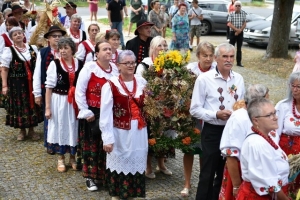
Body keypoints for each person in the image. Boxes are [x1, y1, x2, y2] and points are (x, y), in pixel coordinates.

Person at [190, 43, 245, 200]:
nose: (228, 60)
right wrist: (216, 114)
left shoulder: (239, 79)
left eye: (231, 56)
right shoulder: (204, 79)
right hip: (213, 131)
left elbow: (242, 104)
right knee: (208, 172)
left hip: (232, 132)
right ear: (216, 58)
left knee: (225, 173)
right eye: (225, 57)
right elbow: (194, 109)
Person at [100, 50, 148, 199]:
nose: (130, 65)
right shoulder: (110, 85)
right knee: (120, 161)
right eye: (126, 63)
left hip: (139, 131)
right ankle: (117, 195)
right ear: (118, 65)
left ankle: (132, 194)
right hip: (120, 132)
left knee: (136, 161)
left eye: (133, 62)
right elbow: (105, 114)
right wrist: (107, 138)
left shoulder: (142, 82)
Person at [75, 40, 119, 191]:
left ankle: (105, 176)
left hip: (109, 112)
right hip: (93, 113)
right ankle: (90, 177)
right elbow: (79, 91)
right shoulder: (89, 68)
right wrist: (85, 111)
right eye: (105, 49)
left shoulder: (114, 69)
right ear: (97, 54)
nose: (108, 51)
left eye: (110, 49)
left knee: (106, 145)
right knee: (92, 144)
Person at [219, 84, 270, 200]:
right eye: (267, 97)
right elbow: (230, 154)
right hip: (239, 171)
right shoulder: (239, 118)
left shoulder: (260, 116)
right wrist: (236, 185)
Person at [236, 98, 290, 200]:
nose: (275, 117)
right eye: (270, 115)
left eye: (275, 113)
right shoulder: (257, 144)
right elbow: (270, 184)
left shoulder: (265, 138)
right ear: (256, 120)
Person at [181, 41, 215, 197]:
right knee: (189, 149)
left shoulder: (216, 70)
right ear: (198, 56)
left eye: (210, 56)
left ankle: (204, 181)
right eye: (204, 55)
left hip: (209, 116)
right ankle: (187, 183)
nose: (208, 59)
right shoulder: (189, 70)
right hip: (191, 116)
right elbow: (181, 91)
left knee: (205, 152)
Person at [135, 36, 172, 179]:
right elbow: (139, 86)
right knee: (150, 135)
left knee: (164, 134)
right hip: (149, 105)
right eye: (159, 46)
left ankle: (161, 164)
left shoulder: (169, 64)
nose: (163, 49)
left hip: (165, 105)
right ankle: (148, 165)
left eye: (164, 45)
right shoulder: (144, 65)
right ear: (153, 48)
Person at [44, 38, 83, 172]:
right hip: (59, 100)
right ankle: (61, 158)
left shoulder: (80, 63)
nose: (63, 51)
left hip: (74, 101)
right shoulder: (55, 64)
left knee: (73, 126)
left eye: (66, 48)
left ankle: (73, 157)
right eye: (60, 48)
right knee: (60, 126)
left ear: (72, 49)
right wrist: (48, 108)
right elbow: (49, 87)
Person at [0, 26, 43, 141]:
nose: (18, 35)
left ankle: (32, 130)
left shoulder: (32, 48)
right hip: (16, 84)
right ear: (12, 38)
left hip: (32, 82)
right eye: (15, 35)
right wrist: (4, 85)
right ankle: (22, 130)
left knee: (32, 105)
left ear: (24, 35)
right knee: (20, 106)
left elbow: (39, 65)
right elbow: (4, 69)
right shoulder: (8, 51)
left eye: (20, 33)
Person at [33, 25, 66, 155]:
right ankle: (50, 144)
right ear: (49, 38)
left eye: (59, 36)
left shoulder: (66, 51)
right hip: (47, 91)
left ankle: (63, 142)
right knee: (50, 116)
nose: (57, 38)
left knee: (63, 117)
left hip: (63, 91)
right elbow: (37, 74)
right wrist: (37, 93)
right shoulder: (43, 52)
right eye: (54, 36)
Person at [276, 71, 300, 194]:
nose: (295, 90)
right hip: (285, 152)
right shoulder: (283, 106)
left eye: (299, 86)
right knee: (285, 185)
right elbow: (275, 132)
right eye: (292, 85)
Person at [227, 1, 246, 67]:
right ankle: (229, 61)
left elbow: (244, 23)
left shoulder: (243, 13)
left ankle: (239, 62)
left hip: (240, 33)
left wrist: (239, 30)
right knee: (231, 48)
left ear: (241, 7)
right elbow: (229, 23)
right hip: (233, 32)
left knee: (239, 48)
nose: (237, 7)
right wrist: (236, 30)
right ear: (234, 7)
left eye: (239, 6)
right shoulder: (231, 14)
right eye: (236, 6)